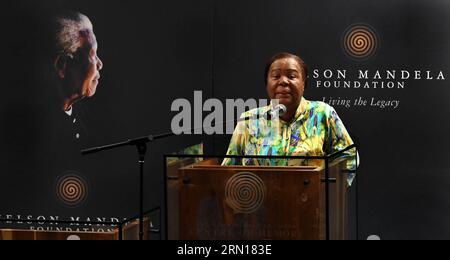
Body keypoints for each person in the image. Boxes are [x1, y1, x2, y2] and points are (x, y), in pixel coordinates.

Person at [222, 52, 357, 174]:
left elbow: (349, 157)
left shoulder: (323, 114)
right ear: (267, 83)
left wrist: (325, 188)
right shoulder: (249, 120)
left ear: (304, 83)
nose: (283, 81)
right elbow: (228, 169)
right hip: (260, 200)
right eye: (276, 76)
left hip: (311, 199)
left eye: (291, 76)